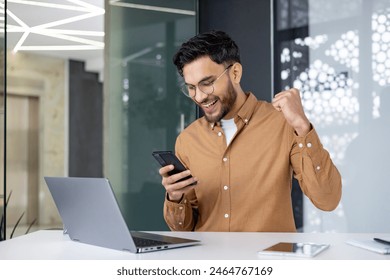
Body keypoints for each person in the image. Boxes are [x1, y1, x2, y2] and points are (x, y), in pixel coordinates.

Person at [158, 30, 342, 232]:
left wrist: (302, 126)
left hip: (267, 262)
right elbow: (184, 230)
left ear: (235, 73)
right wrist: (175, 196)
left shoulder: (282, 123)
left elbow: (327, 199)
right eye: (191, 87)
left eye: (207, 83)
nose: (199, 97)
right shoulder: (188, 140)